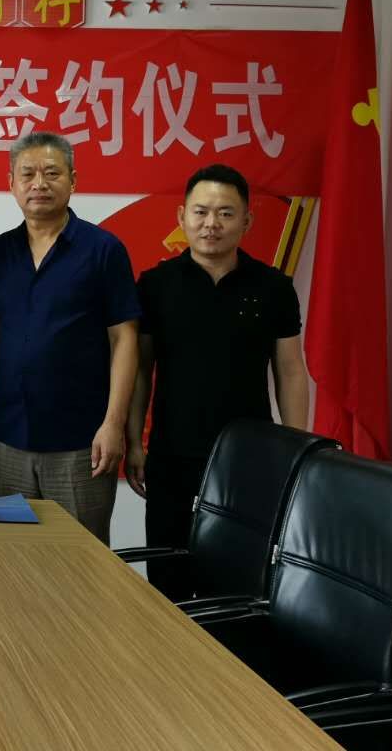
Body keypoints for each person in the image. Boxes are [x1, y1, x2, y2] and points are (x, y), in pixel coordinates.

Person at [126, 163, 309, 600]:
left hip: (250, 458)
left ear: (247, 221)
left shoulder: (273, 287)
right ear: (182, 216)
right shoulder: (155, 285)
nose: (212, 224)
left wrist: (296, 449)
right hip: (172, 455)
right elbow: (140, 370)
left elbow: (289, 370)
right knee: (168, 578)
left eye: (226, 213)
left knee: (237, 581)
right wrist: (133, 441)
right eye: (201, 212)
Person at [0, 131, 140, 543]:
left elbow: (125, 340)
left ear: (73, 180)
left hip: (81, 442)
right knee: (13, 556)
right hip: (9, 438)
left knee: (82, 557)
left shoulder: (103, 250)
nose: (39, 183)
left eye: (51, 173)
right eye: (27, 174)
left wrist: (113, 425)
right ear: (11, 183)